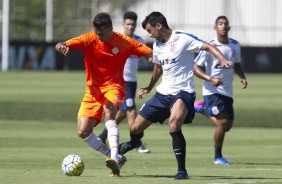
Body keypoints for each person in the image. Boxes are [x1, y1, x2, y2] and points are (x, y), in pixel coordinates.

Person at [118, 11, 232, 180]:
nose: (149, 34)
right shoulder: (157, 45)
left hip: (183, 92)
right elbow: (158, 67)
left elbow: (208, 46)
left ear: (159, 26)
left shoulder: (182, 39)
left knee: (174, 125)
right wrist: (149, 87)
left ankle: (182, 171)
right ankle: (134, 143)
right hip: (162, 93)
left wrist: (222, 59)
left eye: (150, 30)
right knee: (134, 128)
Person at [55, 12, 152, 177]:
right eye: (96, 32)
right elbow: (62, 44)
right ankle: (116, 157)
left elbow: (150, 53)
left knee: (109, 113)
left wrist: (156, 59)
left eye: (101, 34)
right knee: (83, 131)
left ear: (110, 29)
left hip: (114, 87)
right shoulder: (89, 38)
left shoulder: (124, 42)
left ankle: (114, 158)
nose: (98, 36)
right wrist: (61, 46)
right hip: (92, 91)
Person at [193, 16, 247, 165]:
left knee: (227, 126)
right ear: (215, 28)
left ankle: (202, 108)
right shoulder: (209, 46)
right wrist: (210, 79)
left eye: (225, 24)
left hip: (227, 91)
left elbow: (236, 63)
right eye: (220, 24)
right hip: (212, 91)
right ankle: (217, 157)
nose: (223, 26)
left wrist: (242, 76)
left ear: (229, 28)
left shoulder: (235, 45)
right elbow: (196, 67)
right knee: (222, 123)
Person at [99, 11, 150, 154]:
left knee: (121, 113)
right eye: (128, 24)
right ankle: (136, 143)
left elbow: (148, 56)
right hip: (120, 82)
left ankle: (103, 136)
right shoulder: (117, 40)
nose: (131, 27)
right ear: (123, 24)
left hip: (132, 82)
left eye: (133, 24)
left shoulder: (139, 41)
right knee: (131, 110)